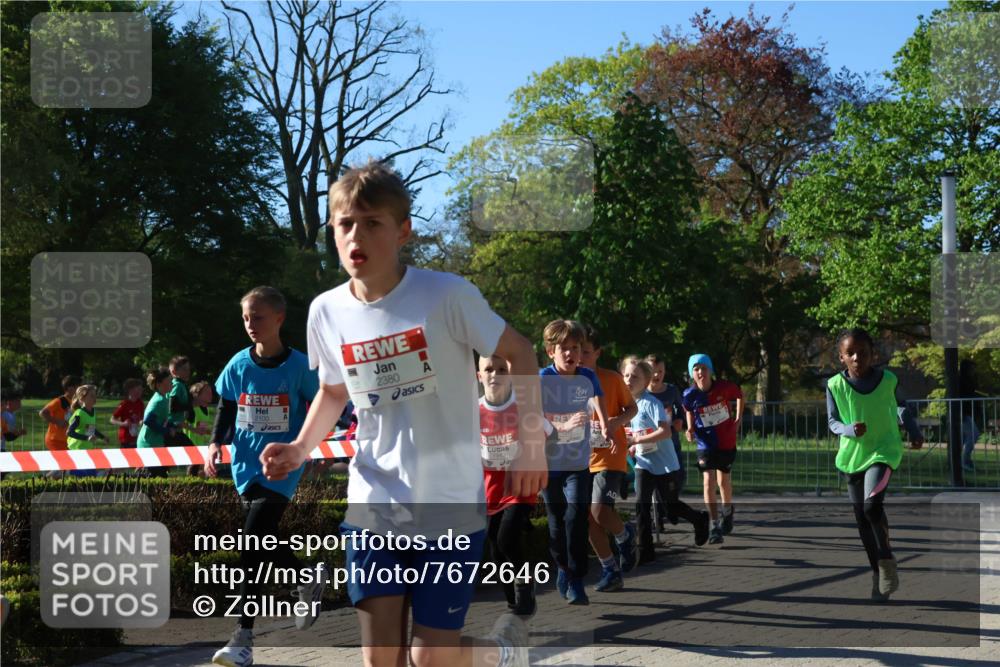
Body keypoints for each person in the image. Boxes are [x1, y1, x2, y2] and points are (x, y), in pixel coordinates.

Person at [258, 162, 547, 667]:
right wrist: (299, 449)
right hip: (374, 499)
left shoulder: (447, 295)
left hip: (450, 502)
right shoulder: (326, 311)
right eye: (345, 224)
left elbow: (522, 352)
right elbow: (332, 392)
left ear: (403, 231)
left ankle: (503, 654)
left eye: (372, 223)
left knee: (430, 659)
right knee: (381, 660)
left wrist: (531, 447)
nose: (356, 236)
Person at [206, 286, 326, 667]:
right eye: (245, 317)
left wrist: (308, 447)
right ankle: (306, 577)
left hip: (283, 467)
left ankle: (242, 637)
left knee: (252, 541)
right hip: (245, 465)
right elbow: (226, 405)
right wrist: (214, 444)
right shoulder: (239, 364)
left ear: (279, 319)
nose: (250, 324)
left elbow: (323, 405)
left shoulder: (299, 366)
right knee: (263, 539)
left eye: (258, 317)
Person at [826, 328, 923, 602]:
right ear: (842, 357)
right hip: (852, 456)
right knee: (862, 520)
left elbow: (902, 407)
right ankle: (877, 573)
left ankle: (886, 557)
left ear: (873, 354)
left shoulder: (888, 379)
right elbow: (832, 422)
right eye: (851, 354)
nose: (858, 358)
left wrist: (913, 431)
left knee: (872, 506)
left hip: (884, 450)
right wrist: (848, 429)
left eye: (863, 353)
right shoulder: (834, 385)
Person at [539, 319, 609, 606]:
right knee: (556, 523)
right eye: (564, 348)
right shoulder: (542, 379)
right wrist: (565, 425)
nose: (570, 354)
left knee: (577, 518)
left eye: (576, 348)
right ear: (550, 352)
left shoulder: (587, 377)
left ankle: (577, 580)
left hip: (578, 463)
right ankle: (564, 570)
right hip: (548, 464)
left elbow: (599, 399)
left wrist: (604, 424)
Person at [478, 353, 553, 617]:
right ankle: (513, 601)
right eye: (489, 369)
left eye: (502, 369)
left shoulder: (522, 407)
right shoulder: (474, 411)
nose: (495, 374)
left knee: (506, 537)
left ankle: (525, 586)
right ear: (480, 376)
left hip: (520, 487)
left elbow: (547, 431)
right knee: (496, 548)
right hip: (490, 490)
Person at [620, 357, 709, 564]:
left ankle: (699, 519)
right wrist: (633, 446)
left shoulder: (651, 403)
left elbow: (665, 431)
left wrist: (637, 439)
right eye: (626, 375)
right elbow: (635, 431)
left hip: (664, 464)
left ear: (645, 380)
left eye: (635, 376)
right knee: (641, 506)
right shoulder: (627, 405)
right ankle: (645, 551)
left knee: (669, 508)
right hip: (643, 462)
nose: (629, 380)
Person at [579, 325, 638, 593]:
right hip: (581, 459)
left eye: (586, 352)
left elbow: (632, 408)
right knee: (588, 521)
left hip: (610, 457)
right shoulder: (565, 382)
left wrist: (616, 422)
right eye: (576, 351)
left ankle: (625, 535)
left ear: (598, 353)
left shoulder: (611, 379)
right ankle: (610, 569)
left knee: (599, 511)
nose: (580, 357)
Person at [682, 353, 743, 545]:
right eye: (696, 369)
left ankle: (727, 511)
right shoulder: (690, 394)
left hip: (725, 440)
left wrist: (738, 419)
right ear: (692, 373)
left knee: (723, 479)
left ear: (710, 371)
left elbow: (740, 395)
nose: (701, 372)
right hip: (705, 443)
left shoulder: (724, 387)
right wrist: (690, 427)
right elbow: (688, 409)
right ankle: (714, 524)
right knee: (708, 480)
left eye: (704, 368)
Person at [644, 354, 687, 494]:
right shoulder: (640, 392)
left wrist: (680, 419)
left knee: (678, 477)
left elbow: (682, 410)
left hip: (671, 441)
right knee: (652, 481)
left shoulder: (671, 391)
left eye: (660, 371)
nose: (656, 374)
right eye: (652, 370)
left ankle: (671, 507)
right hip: (648, 444)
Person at [137, 368, 174, 476]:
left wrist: (172, 426)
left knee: (160, 479)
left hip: (155, 444)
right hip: (149, 444)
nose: (171, 383)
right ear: (159, 384)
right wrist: (166, 431)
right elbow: (148, 421)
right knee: (154, 480)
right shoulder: (159, 400)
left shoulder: (163, 398)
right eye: (168, 381)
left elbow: (162, 420)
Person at [66, 384, 109, 476]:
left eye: (95, 395)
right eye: (91, 396)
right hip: (77, 450)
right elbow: (69, 432)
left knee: (90, 475)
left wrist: (102, 437)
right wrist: (86, 438)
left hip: (87, 449)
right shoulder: (79, 414)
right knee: (83, 475)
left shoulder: (92, 412)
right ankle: (66, 472)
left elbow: (91, 428)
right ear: (82, 398)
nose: (94, 398)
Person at [39, 375, 80, 454]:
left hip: (68, 440)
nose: (79, 390)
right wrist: (58, 421)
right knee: (64, 464)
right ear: (69, 387)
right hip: (55, 440)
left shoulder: (76, 403)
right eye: (77, 387)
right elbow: (43, 413)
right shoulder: (59, 401)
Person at [185, 381, 214, 476]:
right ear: (196, 395)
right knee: (193, 473)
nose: (210, 394)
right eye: (206, 392)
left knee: (203, 474)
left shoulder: (207, 410)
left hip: (203, 446)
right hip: (191, 446)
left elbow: (203, 427)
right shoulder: (191, 410)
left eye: (211, 392)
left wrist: (211, 432)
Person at [166, 356, 194, 446]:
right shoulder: (177, 385)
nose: (188, 372)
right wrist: (189, 406)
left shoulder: (180, 385)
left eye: (188, 369)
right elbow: (172, 406)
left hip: (176, 428)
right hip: (172, 428)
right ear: (174, 371)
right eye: (184, 369)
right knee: (192, 453)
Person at [110, 378, 144, 449]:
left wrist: (141, 421)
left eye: (141, 389)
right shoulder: (124, 404)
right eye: (139, 389)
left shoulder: (140, 403)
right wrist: (123, 424)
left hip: (136, 437)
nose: (141, 391)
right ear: (131, 390)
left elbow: (141, 417)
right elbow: (112, 419)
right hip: (125, 439)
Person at [959, 359, 980, 472]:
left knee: (963, 438)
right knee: (974, 435)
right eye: (972, 368)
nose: (974, 371)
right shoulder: (961, 380)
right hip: (962, 413)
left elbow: (973, 391)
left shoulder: (970, 380)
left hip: (967, 412)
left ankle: (962, 462)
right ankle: (965, 461)